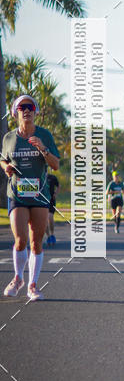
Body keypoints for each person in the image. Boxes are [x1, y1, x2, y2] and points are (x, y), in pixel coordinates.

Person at [1, 94, 60, 300]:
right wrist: (6, 166)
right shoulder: (9, 138)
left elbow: (55, 165)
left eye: (30, 107)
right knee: (20, 240)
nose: (26, 110)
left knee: (36, 242)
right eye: (22, 107)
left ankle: (33, 285)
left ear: (35, 112)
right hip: (17, 193)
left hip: (40, 194)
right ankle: (18, 278)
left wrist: (42, 148)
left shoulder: (44, 135)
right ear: (16, 112)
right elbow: (2, 159)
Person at [45, 171, 60, 246]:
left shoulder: (52, 177)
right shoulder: (38, 177)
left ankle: (52, 234)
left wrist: (55, 193)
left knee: (50, 217)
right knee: (44, 220)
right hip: (42, 201)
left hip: (51, 200)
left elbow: (58, 185)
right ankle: (48, 236)